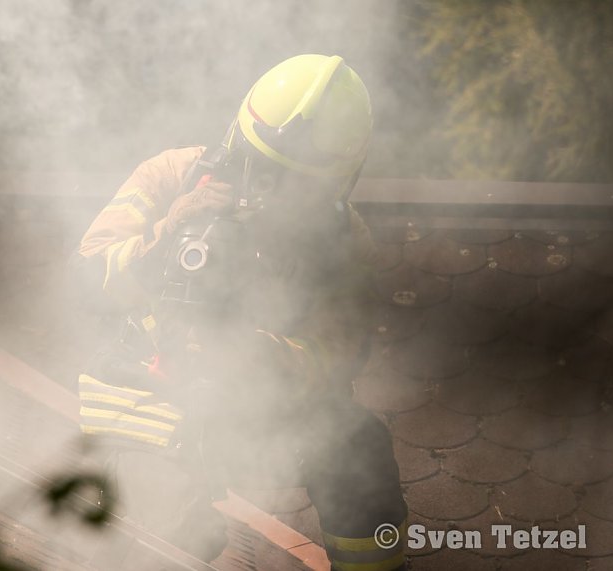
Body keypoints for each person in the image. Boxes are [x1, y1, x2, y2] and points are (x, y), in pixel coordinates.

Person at [73, 54, 407, 570]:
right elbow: (89, 274)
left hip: (251, 411)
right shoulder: (171, 176)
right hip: (143, 397)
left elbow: (341, 348)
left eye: (303, 185)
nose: (276, 194)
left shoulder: (344, 238)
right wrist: (167, 234)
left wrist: (271, 359)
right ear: (239, 144)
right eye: (265, 170)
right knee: (177, 533)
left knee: (358, 447)